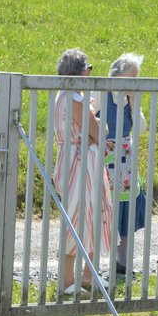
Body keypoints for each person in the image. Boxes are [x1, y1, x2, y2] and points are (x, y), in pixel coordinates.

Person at [53, 48, 113, 295]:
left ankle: (88, 275)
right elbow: (98, 132)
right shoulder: (74, 99)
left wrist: (95, 132)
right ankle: (67, 280)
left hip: (80, 160)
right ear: (77, 72)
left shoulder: (65, 97)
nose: (91, 72)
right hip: (79, 162)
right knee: (77, 216)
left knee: (90, 214)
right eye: (88, 68)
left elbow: (95, 132)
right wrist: (97, 131)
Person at [98, 53, 148, 277]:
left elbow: (140, 128)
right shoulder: (101, 94)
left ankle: (123, 264)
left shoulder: (130, 101)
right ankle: (94, 266)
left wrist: (135, 103)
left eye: (137, 78)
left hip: (126, 162)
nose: (134, 82)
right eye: (131, 77)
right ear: (116, 75)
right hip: (104, 160)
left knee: (127, 212)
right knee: (105, 210)